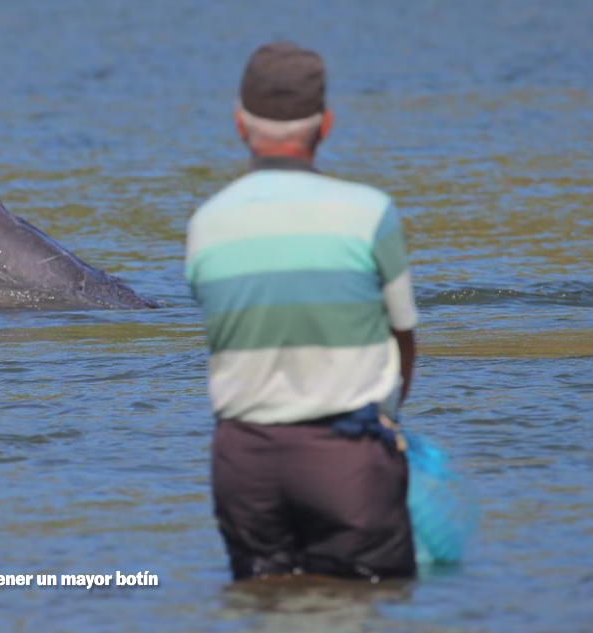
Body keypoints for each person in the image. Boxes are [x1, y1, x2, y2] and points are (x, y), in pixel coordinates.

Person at [185, 42, 420, 582]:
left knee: (262, 605)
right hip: (347, 459)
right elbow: (403, 336)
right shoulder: (371, 213)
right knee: (368, 601)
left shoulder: (207, 224)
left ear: (240, 125)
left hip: (243, 463)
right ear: (327, 124)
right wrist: (388, 415)